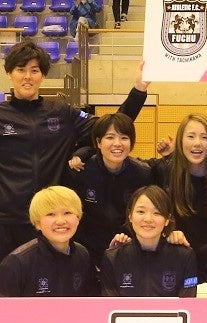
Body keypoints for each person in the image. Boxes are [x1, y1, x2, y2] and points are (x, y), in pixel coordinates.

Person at [0, 43, 148, 297]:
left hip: (49, 226)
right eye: (20, 69)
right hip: (1, 226)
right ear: (9, 73)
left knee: (50, 302)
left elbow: (111, 129)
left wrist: (139, 90)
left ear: (43, 75)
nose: (27, 76)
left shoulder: (62, 113)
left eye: (34, 70)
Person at [152, 113, 207, 266]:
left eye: (204, 137)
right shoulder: (164, 170)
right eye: (190, 136)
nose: (197, 143)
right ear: (180, 140)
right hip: (176, 253)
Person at [64, 112, 154, 263]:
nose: (117, 143)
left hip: (128, 251)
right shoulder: (80, 171)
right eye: (110, 137)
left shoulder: (143, 173)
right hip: (86, 253)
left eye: (124, 138)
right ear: (99, 142)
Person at [0, 186, 100, 298]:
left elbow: (92, 302)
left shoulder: (83, 255)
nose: (61, 221)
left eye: (67, 212)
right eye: (51, 214)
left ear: (78, 219)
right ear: (38, 223)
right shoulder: (16, 263)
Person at [99, 185, 198, 297]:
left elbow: (188, 303)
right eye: (141, 211)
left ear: (167, 219)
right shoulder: (113, 257)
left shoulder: (184, 256)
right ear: (130, 216)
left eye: (157, 213)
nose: (148, 219)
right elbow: (109, 304)